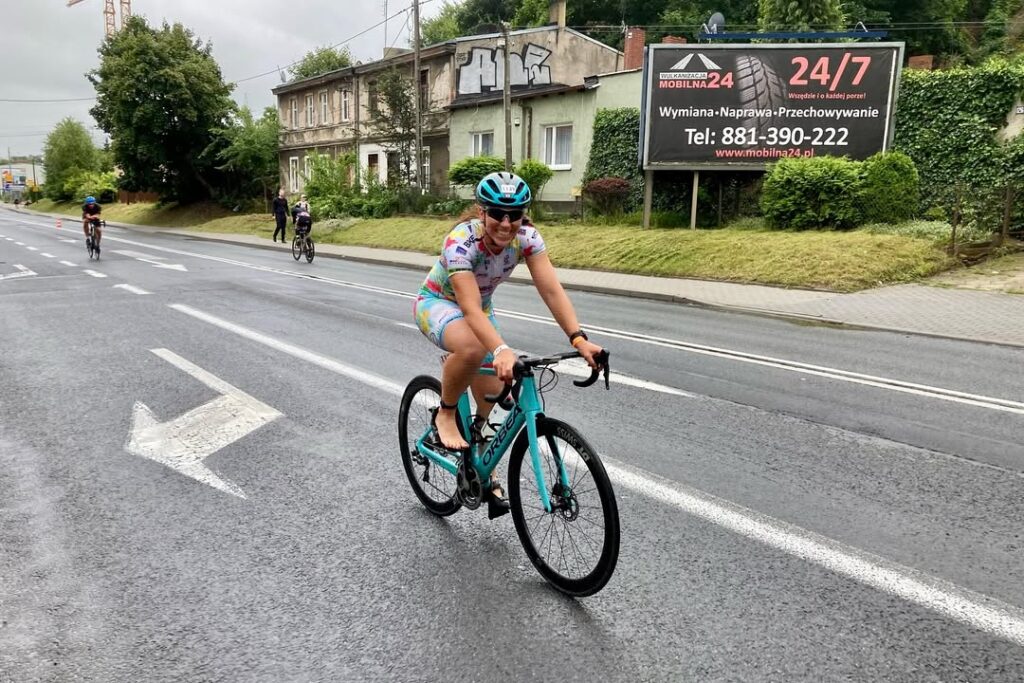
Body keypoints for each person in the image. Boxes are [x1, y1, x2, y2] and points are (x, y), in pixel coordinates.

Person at [413, 171, 605, 519]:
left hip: (481, 311)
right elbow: (469, 308)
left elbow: (551, 290)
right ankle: (446, 412)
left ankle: (481, 470)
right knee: (473, 349)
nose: (506, 223)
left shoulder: (527, 238)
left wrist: (578, 338)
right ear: (481, 212)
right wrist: (500, 350)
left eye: (514, 214)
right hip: (439, 303)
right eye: (497, 214)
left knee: (496, 403)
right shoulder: (462, 241)